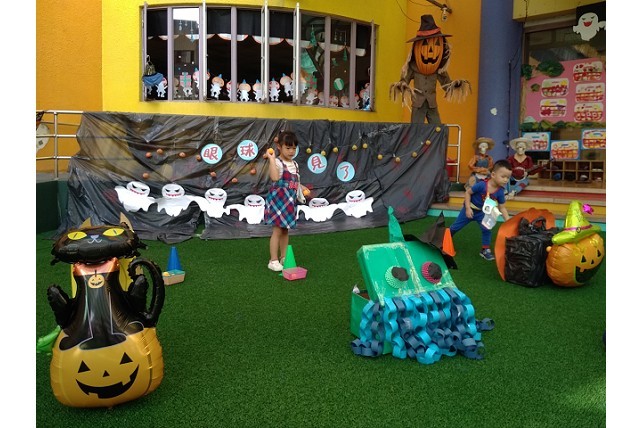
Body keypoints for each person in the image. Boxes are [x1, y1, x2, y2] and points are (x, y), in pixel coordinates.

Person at [449, 159, 512, 261]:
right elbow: (468, 193)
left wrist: (508, 221)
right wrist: (468, 208)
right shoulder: (481, 185)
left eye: (508, 178)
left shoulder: (500, 192)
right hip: (469, 210)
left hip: (482, 213)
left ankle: (485, 250)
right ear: (493, 175)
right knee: (455, 227)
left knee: (486, 229)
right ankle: (444, 239)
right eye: (503, 176)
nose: (506, 180)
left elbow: (502, 207)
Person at [264, 130, 309, 272]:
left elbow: (294, 182)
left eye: (294, 148)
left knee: (285, 230)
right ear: (279, 147)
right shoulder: (277, 162)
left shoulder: (295, 164)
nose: (291, 151)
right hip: (278, 200)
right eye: (288, 148)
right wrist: (271, 160)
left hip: (290, 201)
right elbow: (274, 178)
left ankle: (284, 257)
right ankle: (273, 260)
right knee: (277, 230)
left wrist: (301, 187)